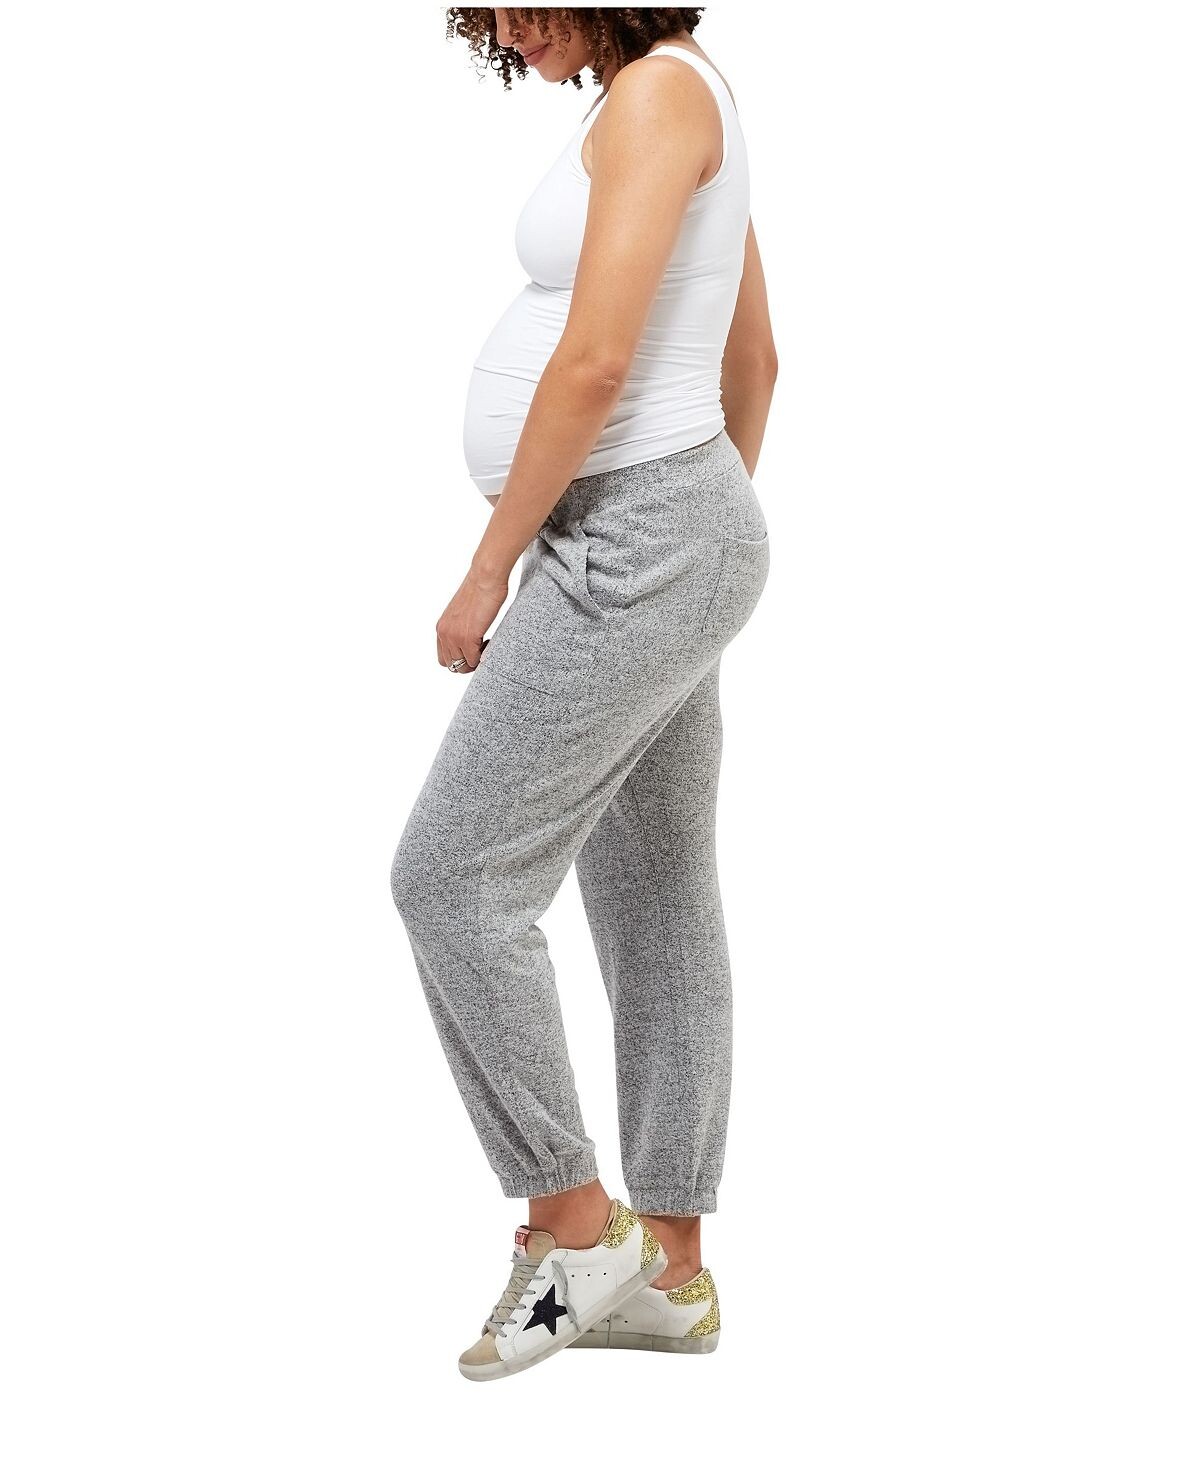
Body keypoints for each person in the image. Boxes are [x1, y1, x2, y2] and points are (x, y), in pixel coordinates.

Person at [391, 7, 777, 1381]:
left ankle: (573, 1224)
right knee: (656, 894)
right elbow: (753, 358)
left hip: (633, 542)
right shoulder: (664, 95)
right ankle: (669, 1272)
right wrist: (705, 541)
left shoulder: (663, 97)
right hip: (658, 538)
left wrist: (488, 567)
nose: (504, 28)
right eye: (486, 12)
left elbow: (602, 361)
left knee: (451, 879)